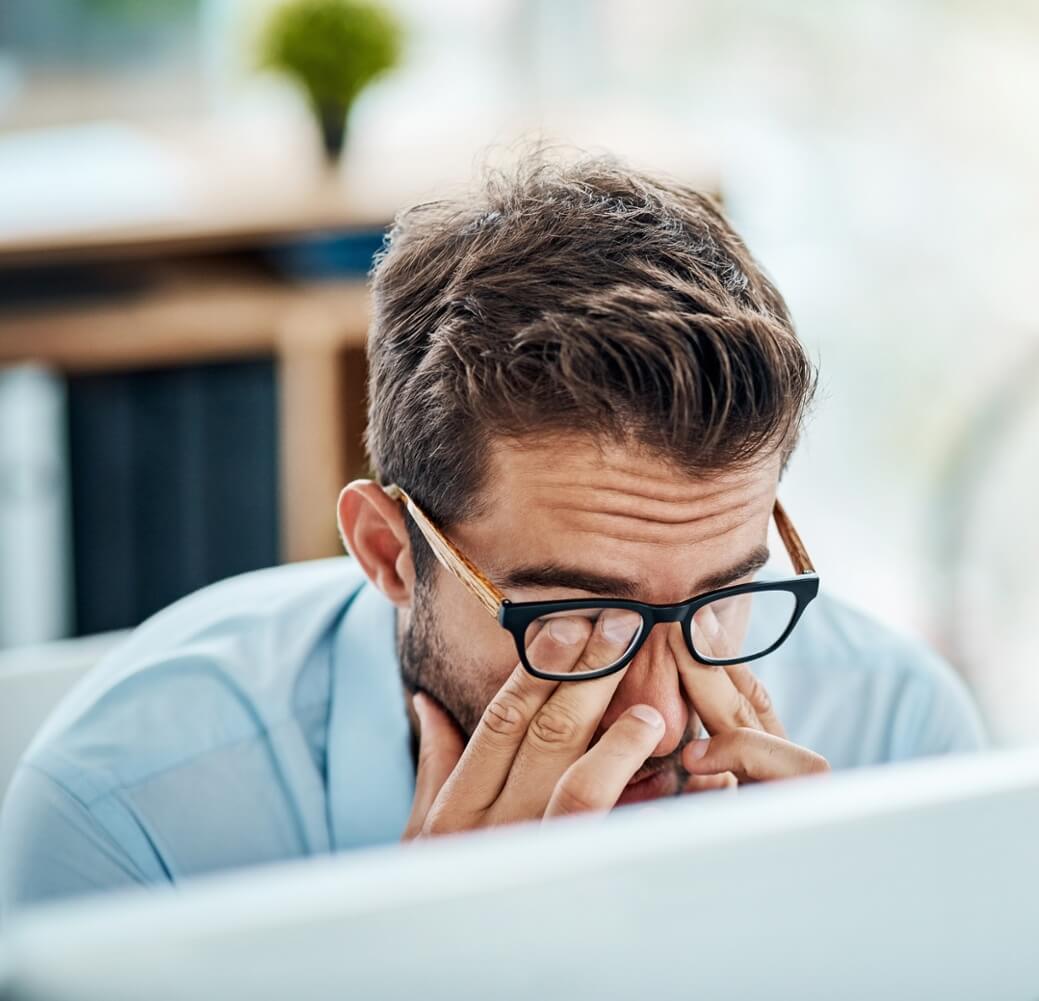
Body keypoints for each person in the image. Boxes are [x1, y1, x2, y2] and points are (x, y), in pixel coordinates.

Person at [0, 154, 985, 916]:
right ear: (390, 550)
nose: (662, 712)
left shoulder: (895, 737)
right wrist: (437, 959)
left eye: (720, 596)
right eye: (583, 615)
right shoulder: (128, 819)